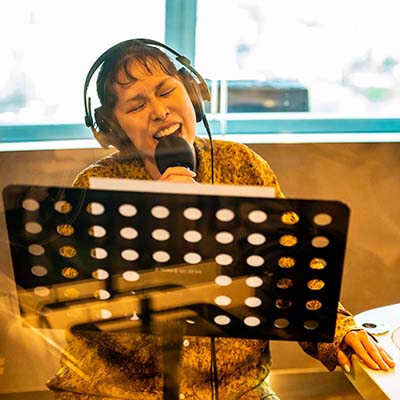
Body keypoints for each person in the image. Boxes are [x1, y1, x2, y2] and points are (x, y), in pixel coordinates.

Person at [47, 39, 395, 400]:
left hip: (237, 389)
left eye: (166, 91)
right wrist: (158, 227)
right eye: (137, 105)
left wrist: (338, 330)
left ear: (193, 95)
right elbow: (88, 312)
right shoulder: (95, 187)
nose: (159, 111)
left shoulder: (244, 167)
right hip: (117, 391)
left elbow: (290, 269)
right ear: (113, 128)